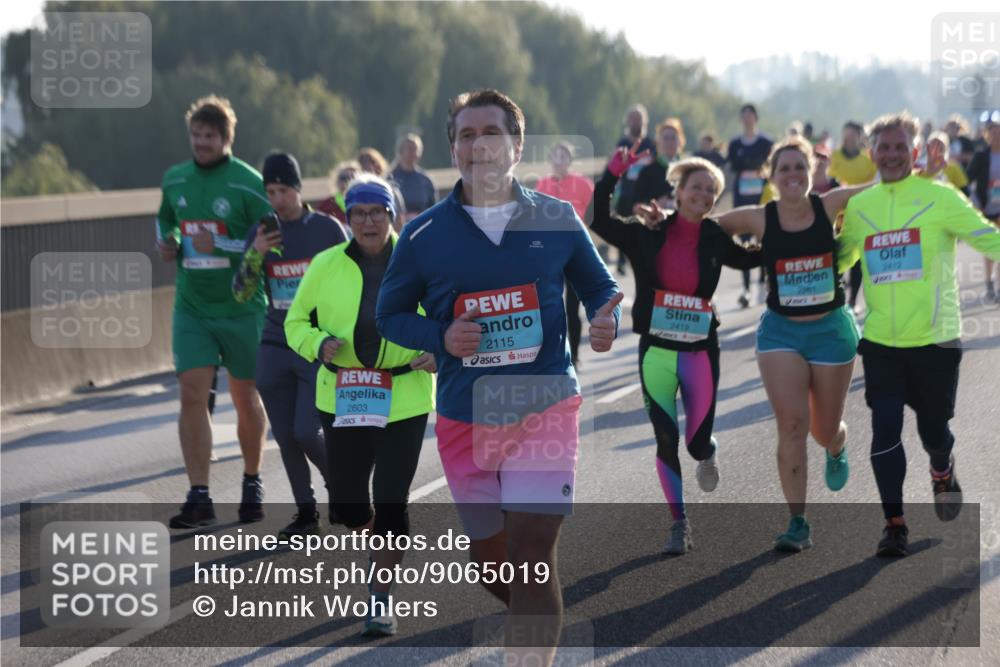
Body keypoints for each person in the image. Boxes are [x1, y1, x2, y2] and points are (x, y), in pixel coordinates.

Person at [376, 89, 622, 666]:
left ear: (516, 145)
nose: (478, 144)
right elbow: (389, 316)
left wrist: (608, 317)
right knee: (492, 567)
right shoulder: (422, 235)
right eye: (466, 134)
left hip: (545, 399)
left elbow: (601, 288)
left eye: (491, 132)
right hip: (466, 414)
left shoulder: (556, 218)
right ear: (453, 149)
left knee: (533, 554)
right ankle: (542, 620)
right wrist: (441, 337)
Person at [837, 112, 1000, 557]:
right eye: (883, 148)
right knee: (885, 430)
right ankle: (895, 525)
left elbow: (990, 239)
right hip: (883, 343)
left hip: (936, 341)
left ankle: (942, 468)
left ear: (913, 152)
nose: (890, 155)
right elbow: (840, 259)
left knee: (933, 431)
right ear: (872, 154)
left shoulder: (939, 197)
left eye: (899, 147)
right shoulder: (861, 206)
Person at [285, 174, 435, 636]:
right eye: (359, 213)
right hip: (343, 394)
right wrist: (317, 343)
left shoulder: (418, 261)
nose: (368, 221)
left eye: (377, 212)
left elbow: (449, 315)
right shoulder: (326, 264)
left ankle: (381, 596)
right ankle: (380, 541)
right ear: (347, 218)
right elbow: (295, 321)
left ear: (392, 215)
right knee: (349, 506)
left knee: (392, 501)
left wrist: (438, 347)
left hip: (404, 396)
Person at [595, 148, 761, 554]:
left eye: (711, 191)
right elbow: (599, 221)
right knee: (665, 439)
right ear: (680, 190)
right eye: (696, 187)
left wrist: (793, 230)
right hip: (656, 350)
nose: (703, 195)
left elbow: (753, 258)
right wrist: (613, 173)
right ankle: (679, 522)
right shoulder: (647, 231)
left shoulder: (715, 238)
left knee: (694, 442)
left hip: (700, 350)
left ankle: (708, 450)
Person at [716, 137, 871, 552]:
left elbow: (882, 189)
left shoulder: (829, 204)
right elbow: (710, 228)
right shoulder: (760, 217)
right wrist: (750, 257)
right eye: (783, 168)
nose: (792, 175)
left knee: (822, 431)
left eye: (799, 167)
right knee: (791, 425)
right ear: (771, 175)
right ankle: (797, 522)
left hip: (831, 332)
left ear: (810, 172)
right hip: (781, 333)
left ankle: (837, 444)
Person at [155, 96, 271, 528]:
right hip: (193, 306)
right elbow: (165, 220)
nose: (201, 143)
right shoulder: (175, 179)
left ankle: (252, 480)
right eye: (196, 135)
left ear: (226, 139)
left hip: (241, 308)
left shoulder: (248, 182)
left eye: (210, 137)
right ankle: (199, 494)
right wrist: (166, 241)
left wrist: (221, 246)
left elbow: (270, 237)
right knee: (191, 394)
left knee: (245, 397)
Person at [231, 152, 347, 537]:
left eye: (283, 190)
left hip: (316, 344)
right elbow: (241, 292)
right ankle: (305, 511)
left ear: (297, 189)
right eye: (270, 192)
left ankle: (342, 484)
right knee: (284, 435)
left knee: (304, 430)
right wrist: (255, 253)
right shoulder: (261, 234)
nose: (277, 199)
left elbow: (353, 281)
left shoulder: (327, 230)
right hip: (275, 343)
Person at [535, 142, 596, 368]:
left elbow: (594, 212)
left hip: (575, 252)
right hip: (550, 253)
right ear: (551, 161)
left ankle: (576, 355)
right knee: (549, 305)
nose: (559, 161)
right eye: (556, 157)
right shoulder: (543, 184)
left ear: (569, 161)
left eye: (564, 157)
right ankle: (553, 353)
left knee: (573, 307)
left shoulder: (583, 183)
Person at [726, 103, 773, 307]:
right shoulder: (735, 144)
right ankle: (745, 288)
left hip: (762, 196)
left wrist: (756, 165)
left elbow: (770, 165)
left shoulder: (765, 142)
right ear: (741, 119)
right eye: (743, 115)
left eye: (750, 115)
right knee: (744, 243)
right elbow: (733, 166)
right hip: (742, 197)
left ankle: (763, 282)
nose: (747, 119)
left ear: (756, 118)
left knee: (764, 240)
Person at [829, 121, 878, 315]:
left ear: (860, 137)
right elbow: (830, 182)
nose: (848, 139)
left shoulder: (867, 161)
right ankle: (836, 295)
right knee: (838, 254)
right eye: (845, 135)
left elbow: (873, 185)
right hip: (838, 215)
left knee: (857, 259)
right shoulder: (834, 157)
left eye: (852, 135)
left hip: (860, 214)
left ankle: (852, 299)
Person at [612, 103, 657, 275]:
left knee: (643, 226)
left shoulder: (650, 143)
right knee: (623, 225)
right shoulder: (622, 142)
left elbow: (654, 165)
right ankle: (621, 261)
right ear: (627, 121)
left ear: (644, 121)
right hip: (625, 191)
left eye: (639, 118)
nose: (635, 122)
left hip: (645, 192)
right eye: (632, 118)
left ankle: (643, 259)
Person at [965, 119, 1000, 302]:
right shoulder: (981, 155)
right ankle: (988, 283)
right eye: (993, 133)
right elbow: (967, 180)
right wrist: (975, 200)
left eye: (999, 132)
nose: (996, 136)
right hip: (986, 206)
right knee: (990, 247)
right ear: (987, 135)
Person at [632, 117, 685, 212]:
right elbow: (636, 205)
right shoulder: (647, 172)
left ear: (680, 141)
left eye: (673, 138)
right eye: (665, 138)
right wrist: (654, 206)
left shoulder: (687, 171)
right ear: (658, 142)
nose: (669, 142)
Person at [390, 133, 437, 223]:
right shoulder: (391, 178)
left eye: (416, 149)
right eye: (409, 149)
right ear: (401, 151)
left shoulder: (426, 180)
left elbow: (433, 209)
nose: (413, 152)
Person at [357, 147, 407, 232]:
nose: (368, 166)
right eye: (363, 163)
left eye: (372, 162)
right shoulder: (354, 194)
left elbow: (399, 223)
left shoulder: (391, 192)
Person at [316, 160, 360, 226]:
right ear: (336, 180)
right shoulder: (326, 205)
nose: (347, 181)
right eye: (343, 178)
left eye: (352, 177)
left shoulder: (366, 203)